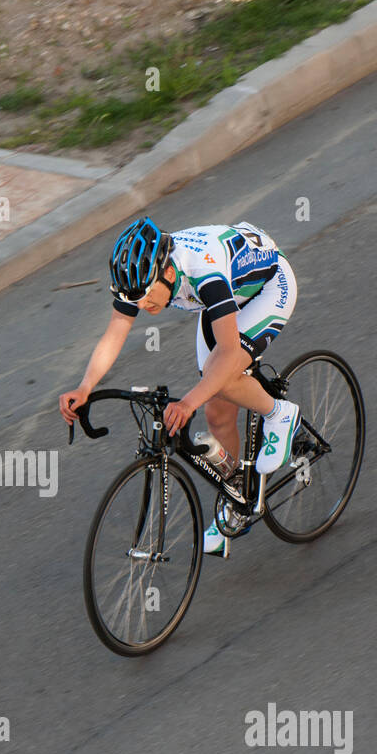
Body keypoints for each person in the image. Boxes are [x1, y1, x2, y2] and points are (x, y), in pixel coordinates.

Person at [58, 216, 301, 554]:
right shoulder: (144, 275)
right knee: (217, 416)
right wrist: (84, 387)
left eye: (145, 298)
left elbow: (229, 353)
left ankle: (280, 413)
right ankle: (237, 496)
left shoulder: (202, 269)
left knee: (223, 377)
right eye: (136, 300)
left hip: (267, 287)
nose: (142, 306)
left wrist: (187, 404)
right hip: (222, 299)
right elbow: (116, 330)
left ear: (169, 274)